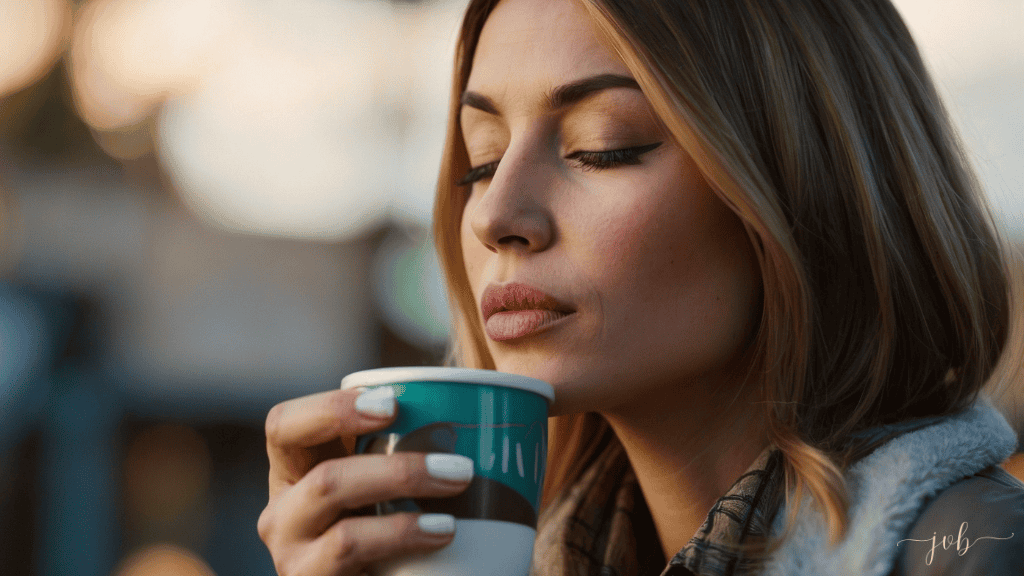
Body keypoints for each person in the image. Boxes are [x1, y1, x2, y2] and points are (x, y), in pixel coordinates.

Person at [257, 0, 1024, 574]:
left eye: (602, 146)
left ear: (802, 188)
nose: (495, 214)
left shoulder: (979, 552)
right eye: (481, 158)